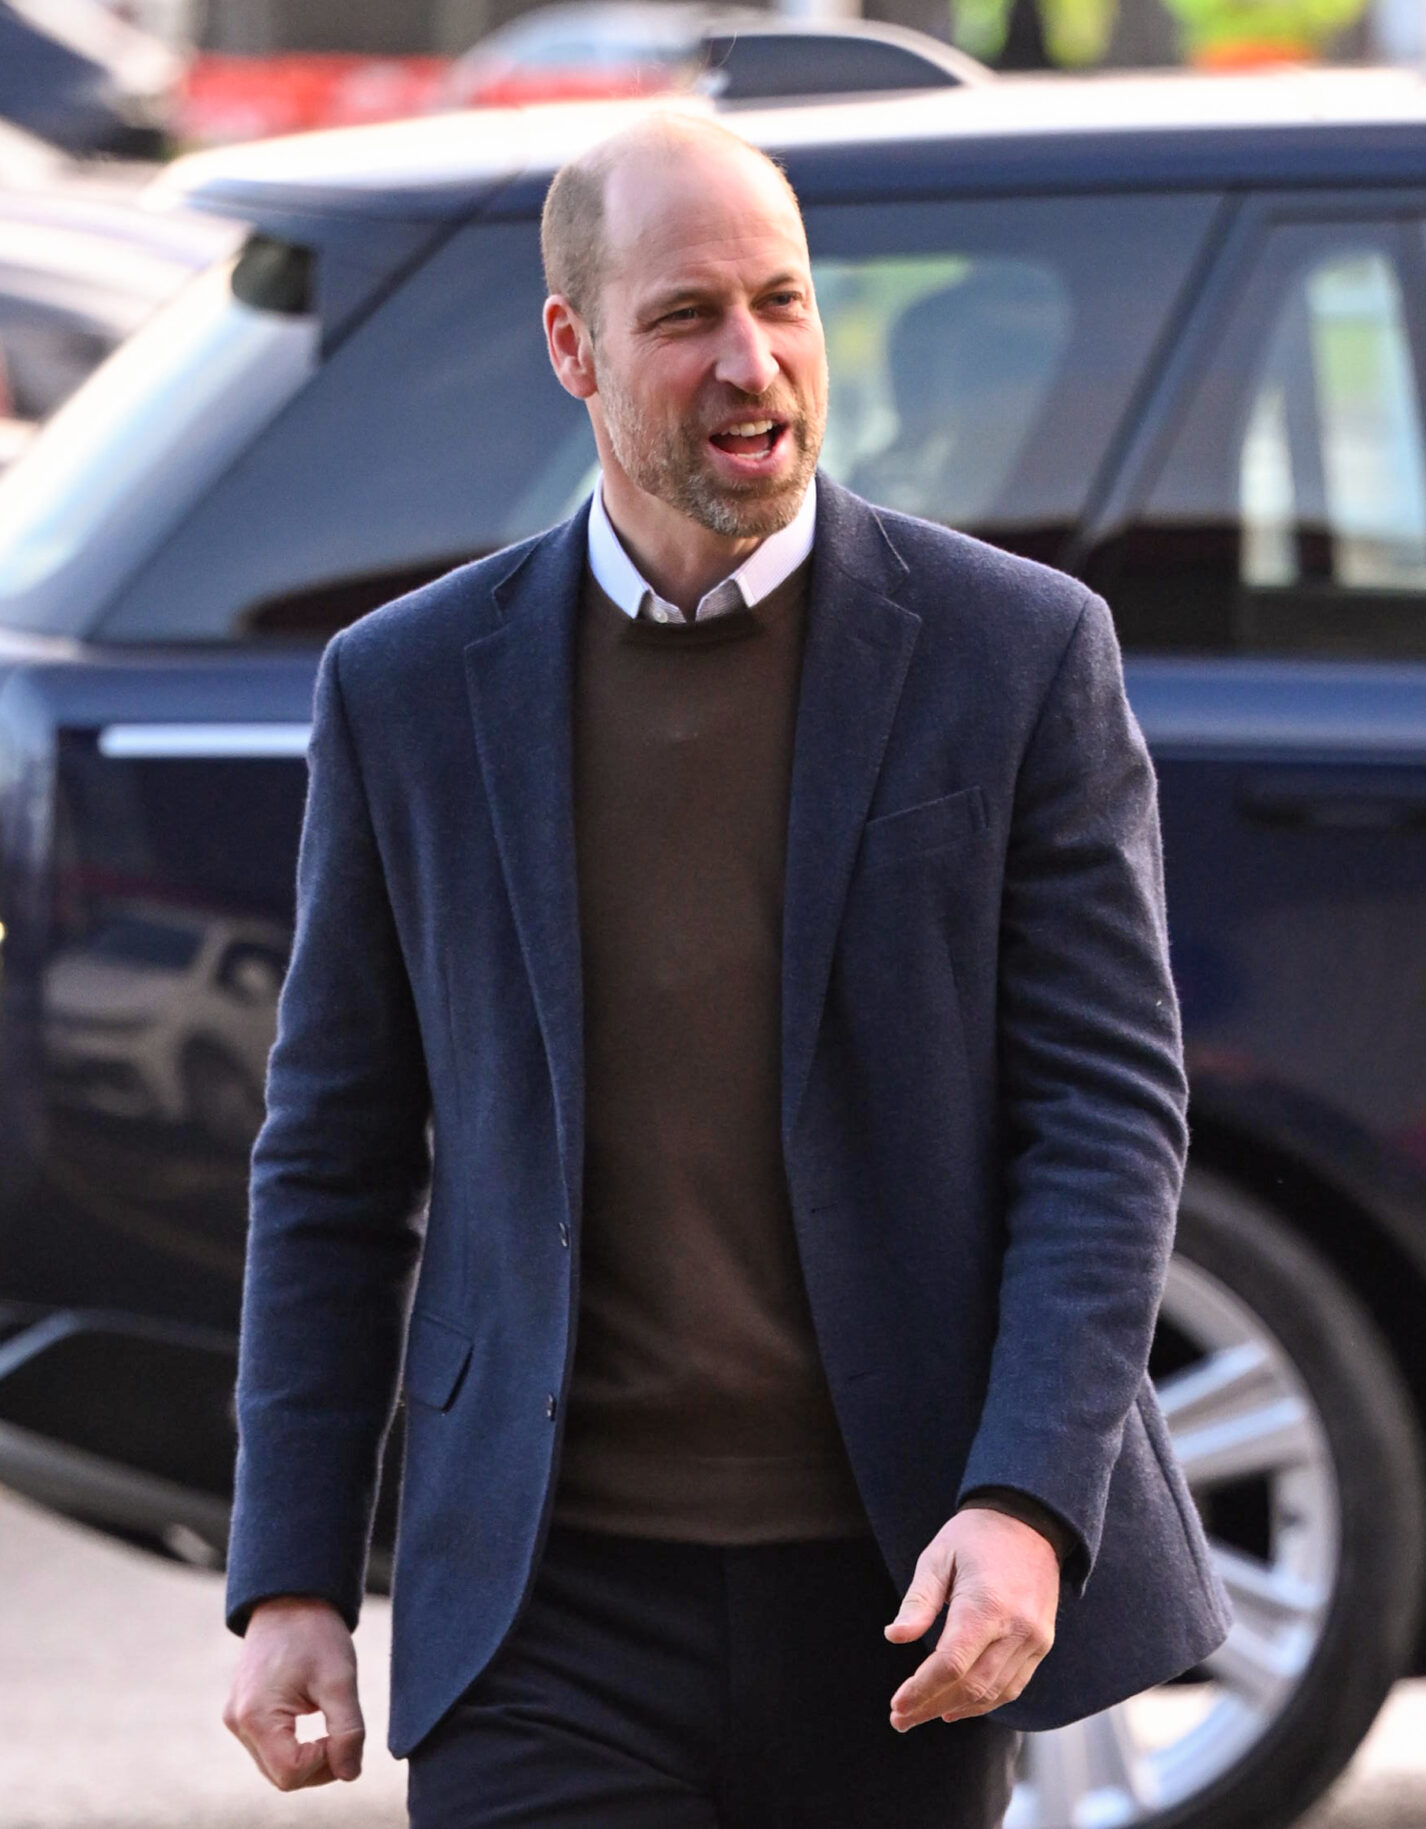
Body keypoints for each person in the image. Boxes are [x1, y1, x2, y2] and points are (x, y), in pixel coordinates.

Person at [219, 110, 1228, 1827]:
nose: (752, 362)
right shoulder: (406, 690)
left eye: (785, 302)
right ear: (574, 348)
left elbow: (1106, 1121)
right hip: (545, 1601)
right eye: (687, 315)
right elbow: (332, 1158)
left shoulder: (1015, 652)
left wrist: (1028, 1499)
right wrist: (289, 1572)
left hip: (893, 1576)